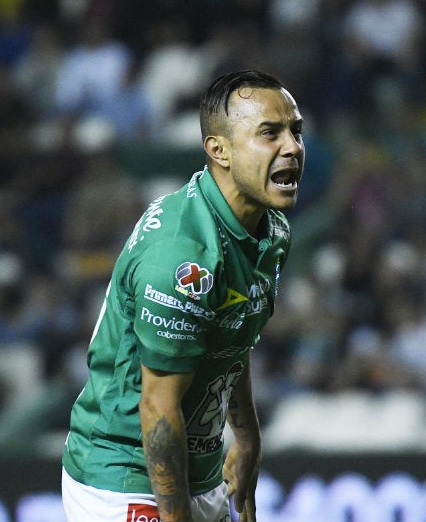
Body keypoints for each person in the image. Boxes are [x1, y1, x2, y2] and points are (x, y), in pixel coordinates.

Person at [61, 69, 305, 522]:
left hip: (201, 469)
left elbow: (232, 334)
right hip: (124, 475)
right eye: (269, 133)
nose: (291, 147)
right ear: (219, 150)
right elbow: (157, 404)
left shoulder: (271, 232)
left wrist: (247, 439)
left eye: (295, 131)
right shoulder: (182, 255)